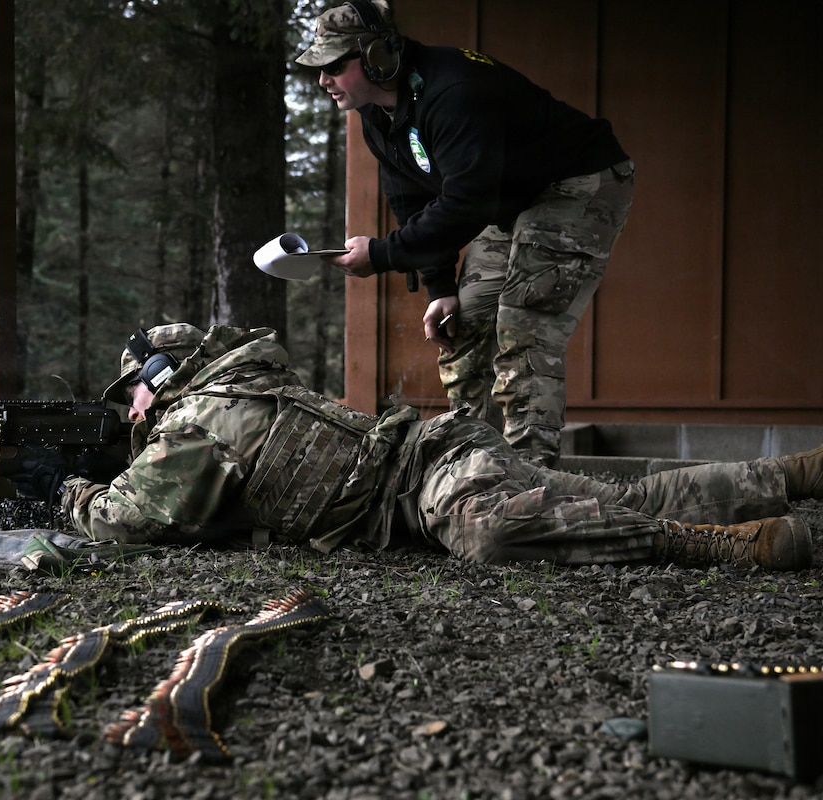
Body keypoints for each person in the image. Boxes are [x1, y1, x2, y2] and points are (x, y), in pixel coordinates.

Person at [48, 323, 818, 572]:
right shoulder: (245, 381)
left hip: (425, 481)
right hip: (434, 451)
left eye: (134, 393)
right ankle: (791, 472)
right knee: (619, 494)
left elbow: (124, 521)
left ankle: (717, 545)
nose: (133, 412)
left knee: (488, 532)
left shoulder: (198, 419)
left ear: (165, 374)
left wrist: (71, 494)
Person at [296, 0, 635, 468]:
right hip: (505, 198)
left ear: (378, 56)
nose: (322, 81)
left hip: (576, 184)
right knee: (465, 325)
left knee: (524, 329)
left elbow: (464, 205)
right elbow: (411, 199)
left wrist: (382, 255)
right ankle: (475, 468)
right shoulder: (376, 110)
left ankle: (527, 489)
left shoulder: (453, 91)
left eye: (334, 66)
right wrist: (440, 287)